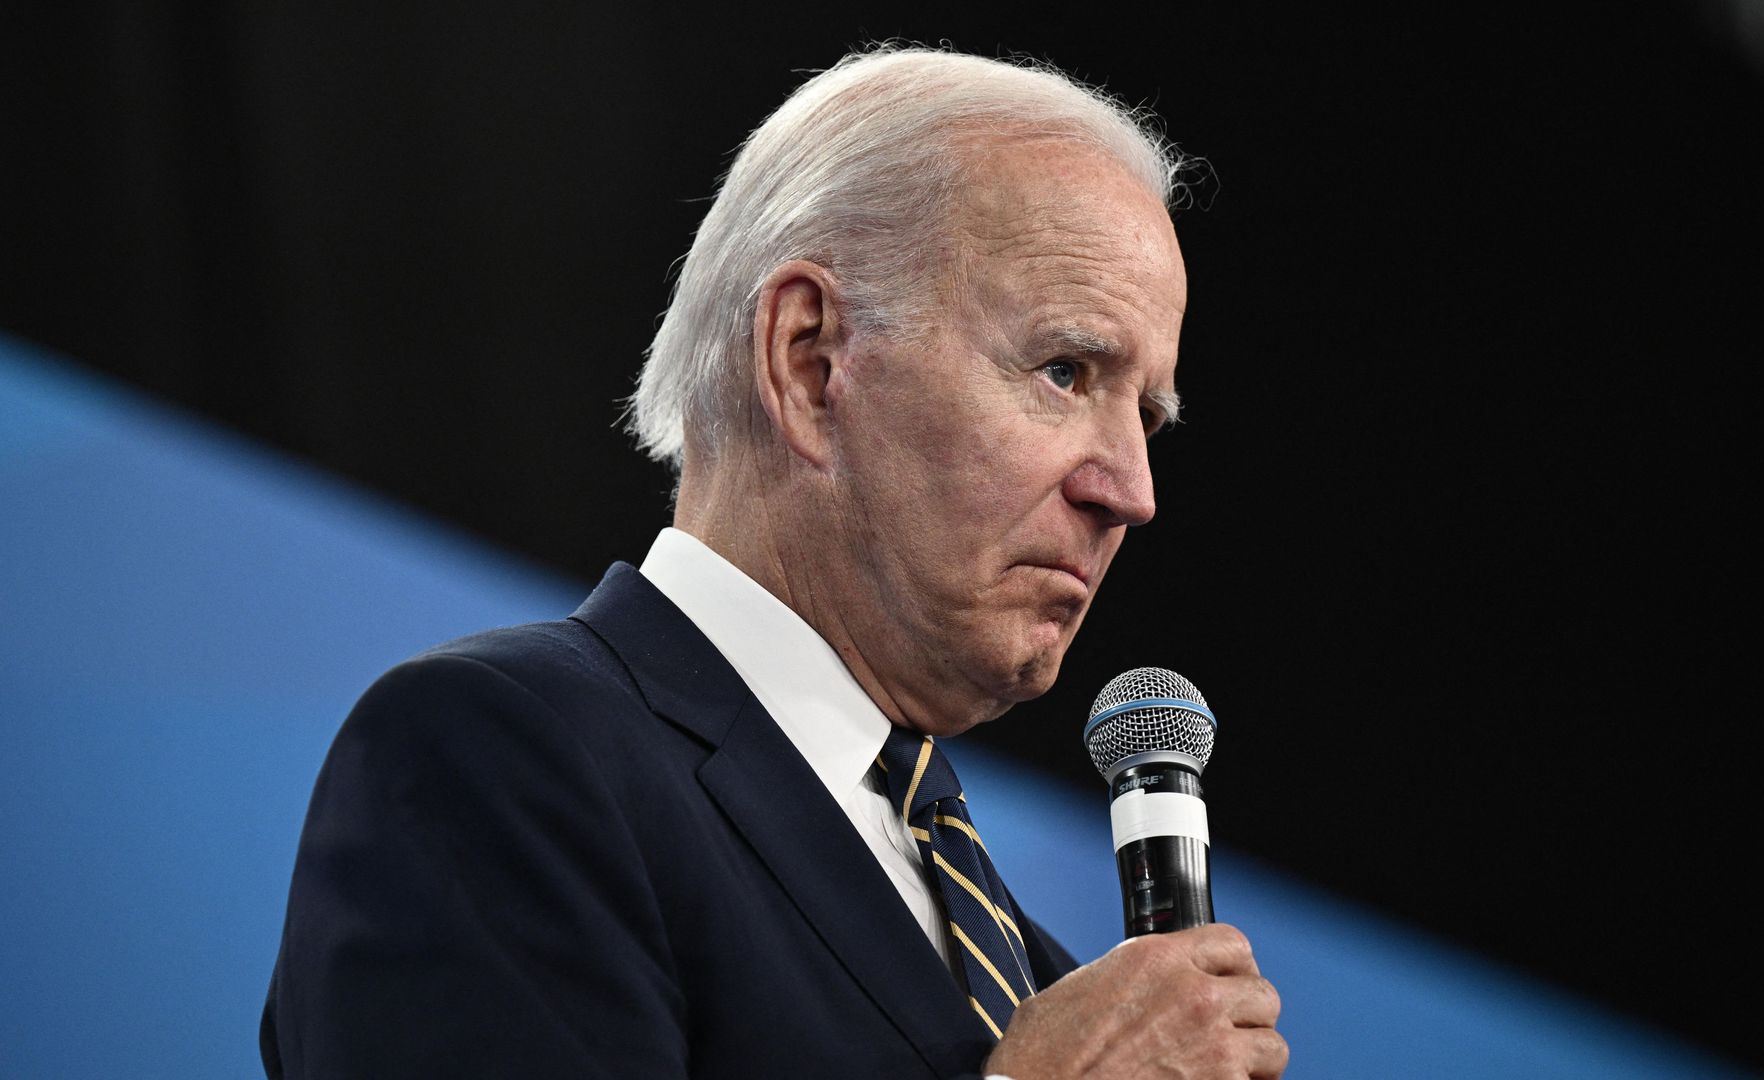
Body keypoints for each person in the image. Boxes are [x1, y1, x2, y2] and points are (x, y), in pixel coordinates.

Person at [261, 45, 1288, 1079]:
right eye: (1065, 371)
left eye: (1148, 416)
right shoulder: (493, 761)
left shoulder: (1031, 973)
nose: (1131, 490)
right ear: (809, 359)